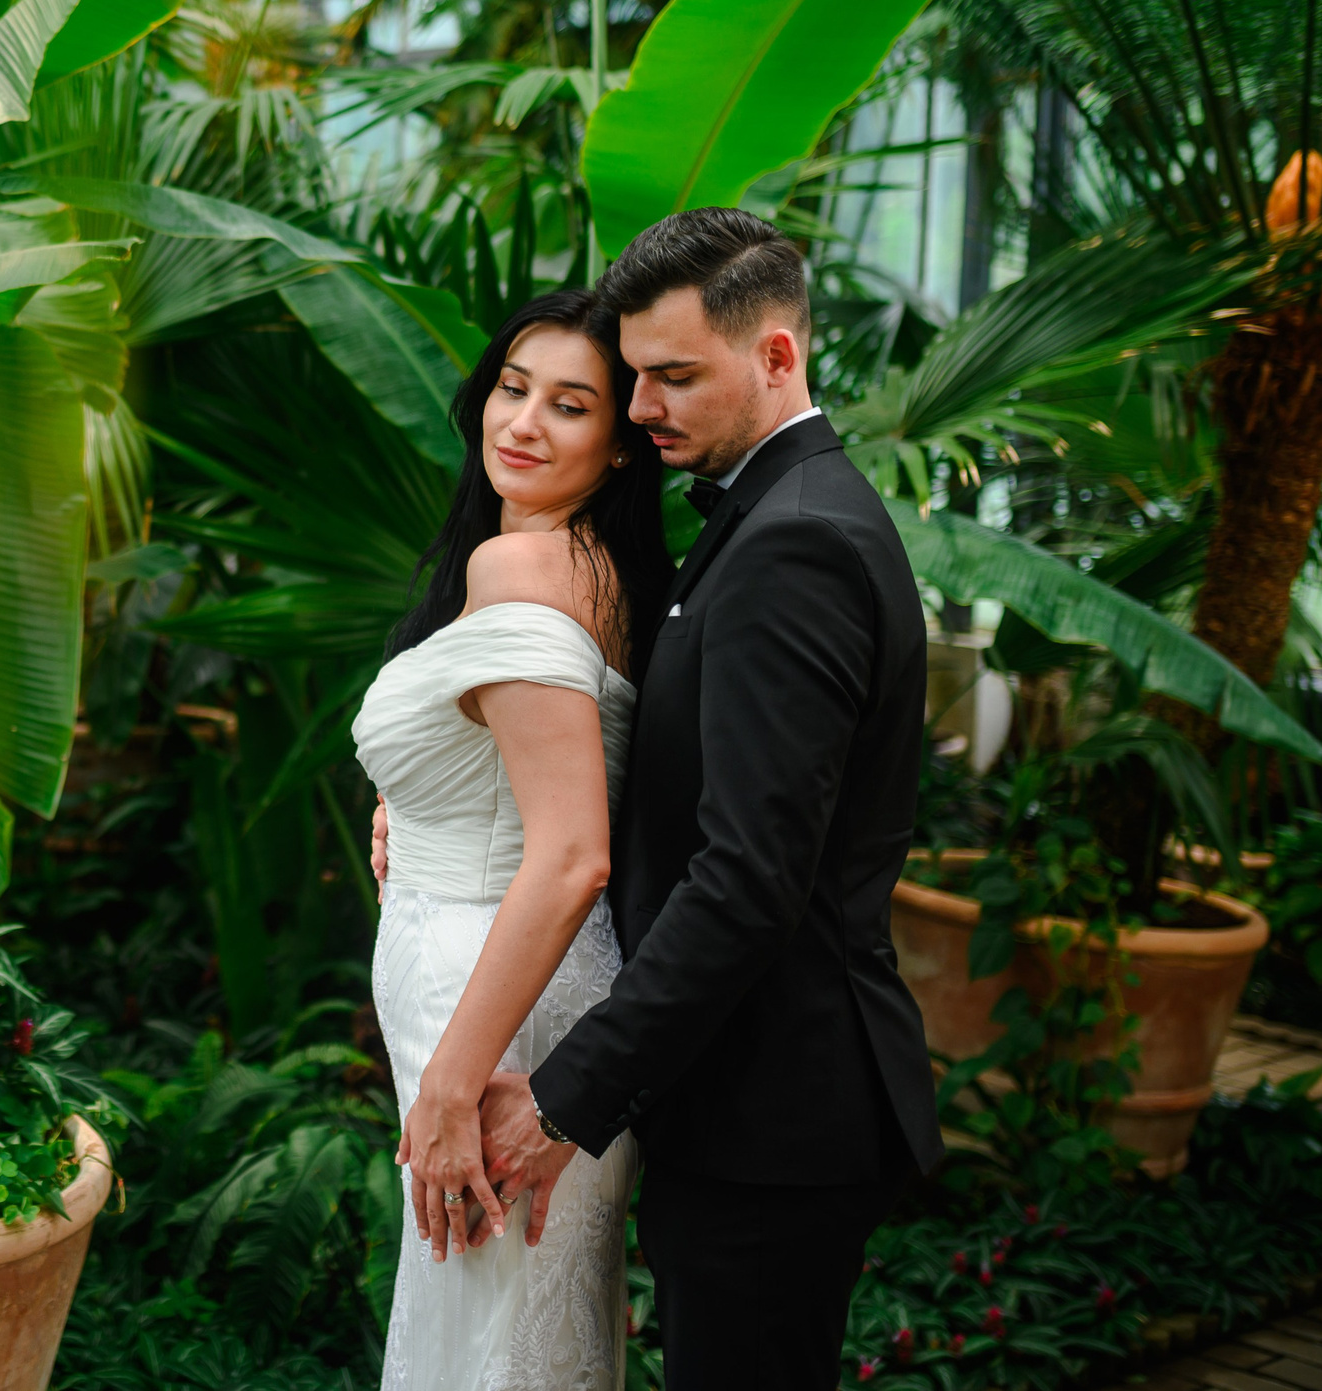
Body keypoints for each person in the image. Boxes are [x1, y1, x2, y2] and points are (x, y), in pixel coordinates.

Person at [374, 208, 945, 1388]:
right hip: (733, 1089)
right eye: (631, 377)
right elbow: (683, 771)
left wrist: (567, 1093)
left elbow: (750, 872)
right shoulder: (754, 521)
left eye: (672, 376)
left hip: (776, 1105)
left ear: (776, 354)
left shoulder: (794, 542)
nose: (642, 408)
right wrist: (446, 791)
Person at [354, 286, 671, 1389]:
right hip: (534, 984)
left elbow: (573, 846)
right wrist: (416, 789)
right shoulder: (603, 576)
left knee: (483, 1338)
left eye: (570, 405)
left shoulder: (521, 567)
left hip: (495, 1001)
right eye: (511, 384)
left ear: (623, 446)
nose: (522, 421)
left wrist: (452, 1080)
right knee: (528, 1326)